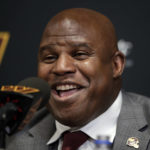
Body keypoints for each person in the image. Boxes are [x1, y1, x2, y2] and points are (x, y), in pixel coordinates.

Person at [6, 8, 150, 150]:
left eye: (80, 54)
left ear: (116, 65)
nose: (61, 67)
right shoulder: (12, 129)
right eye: (50, 57)